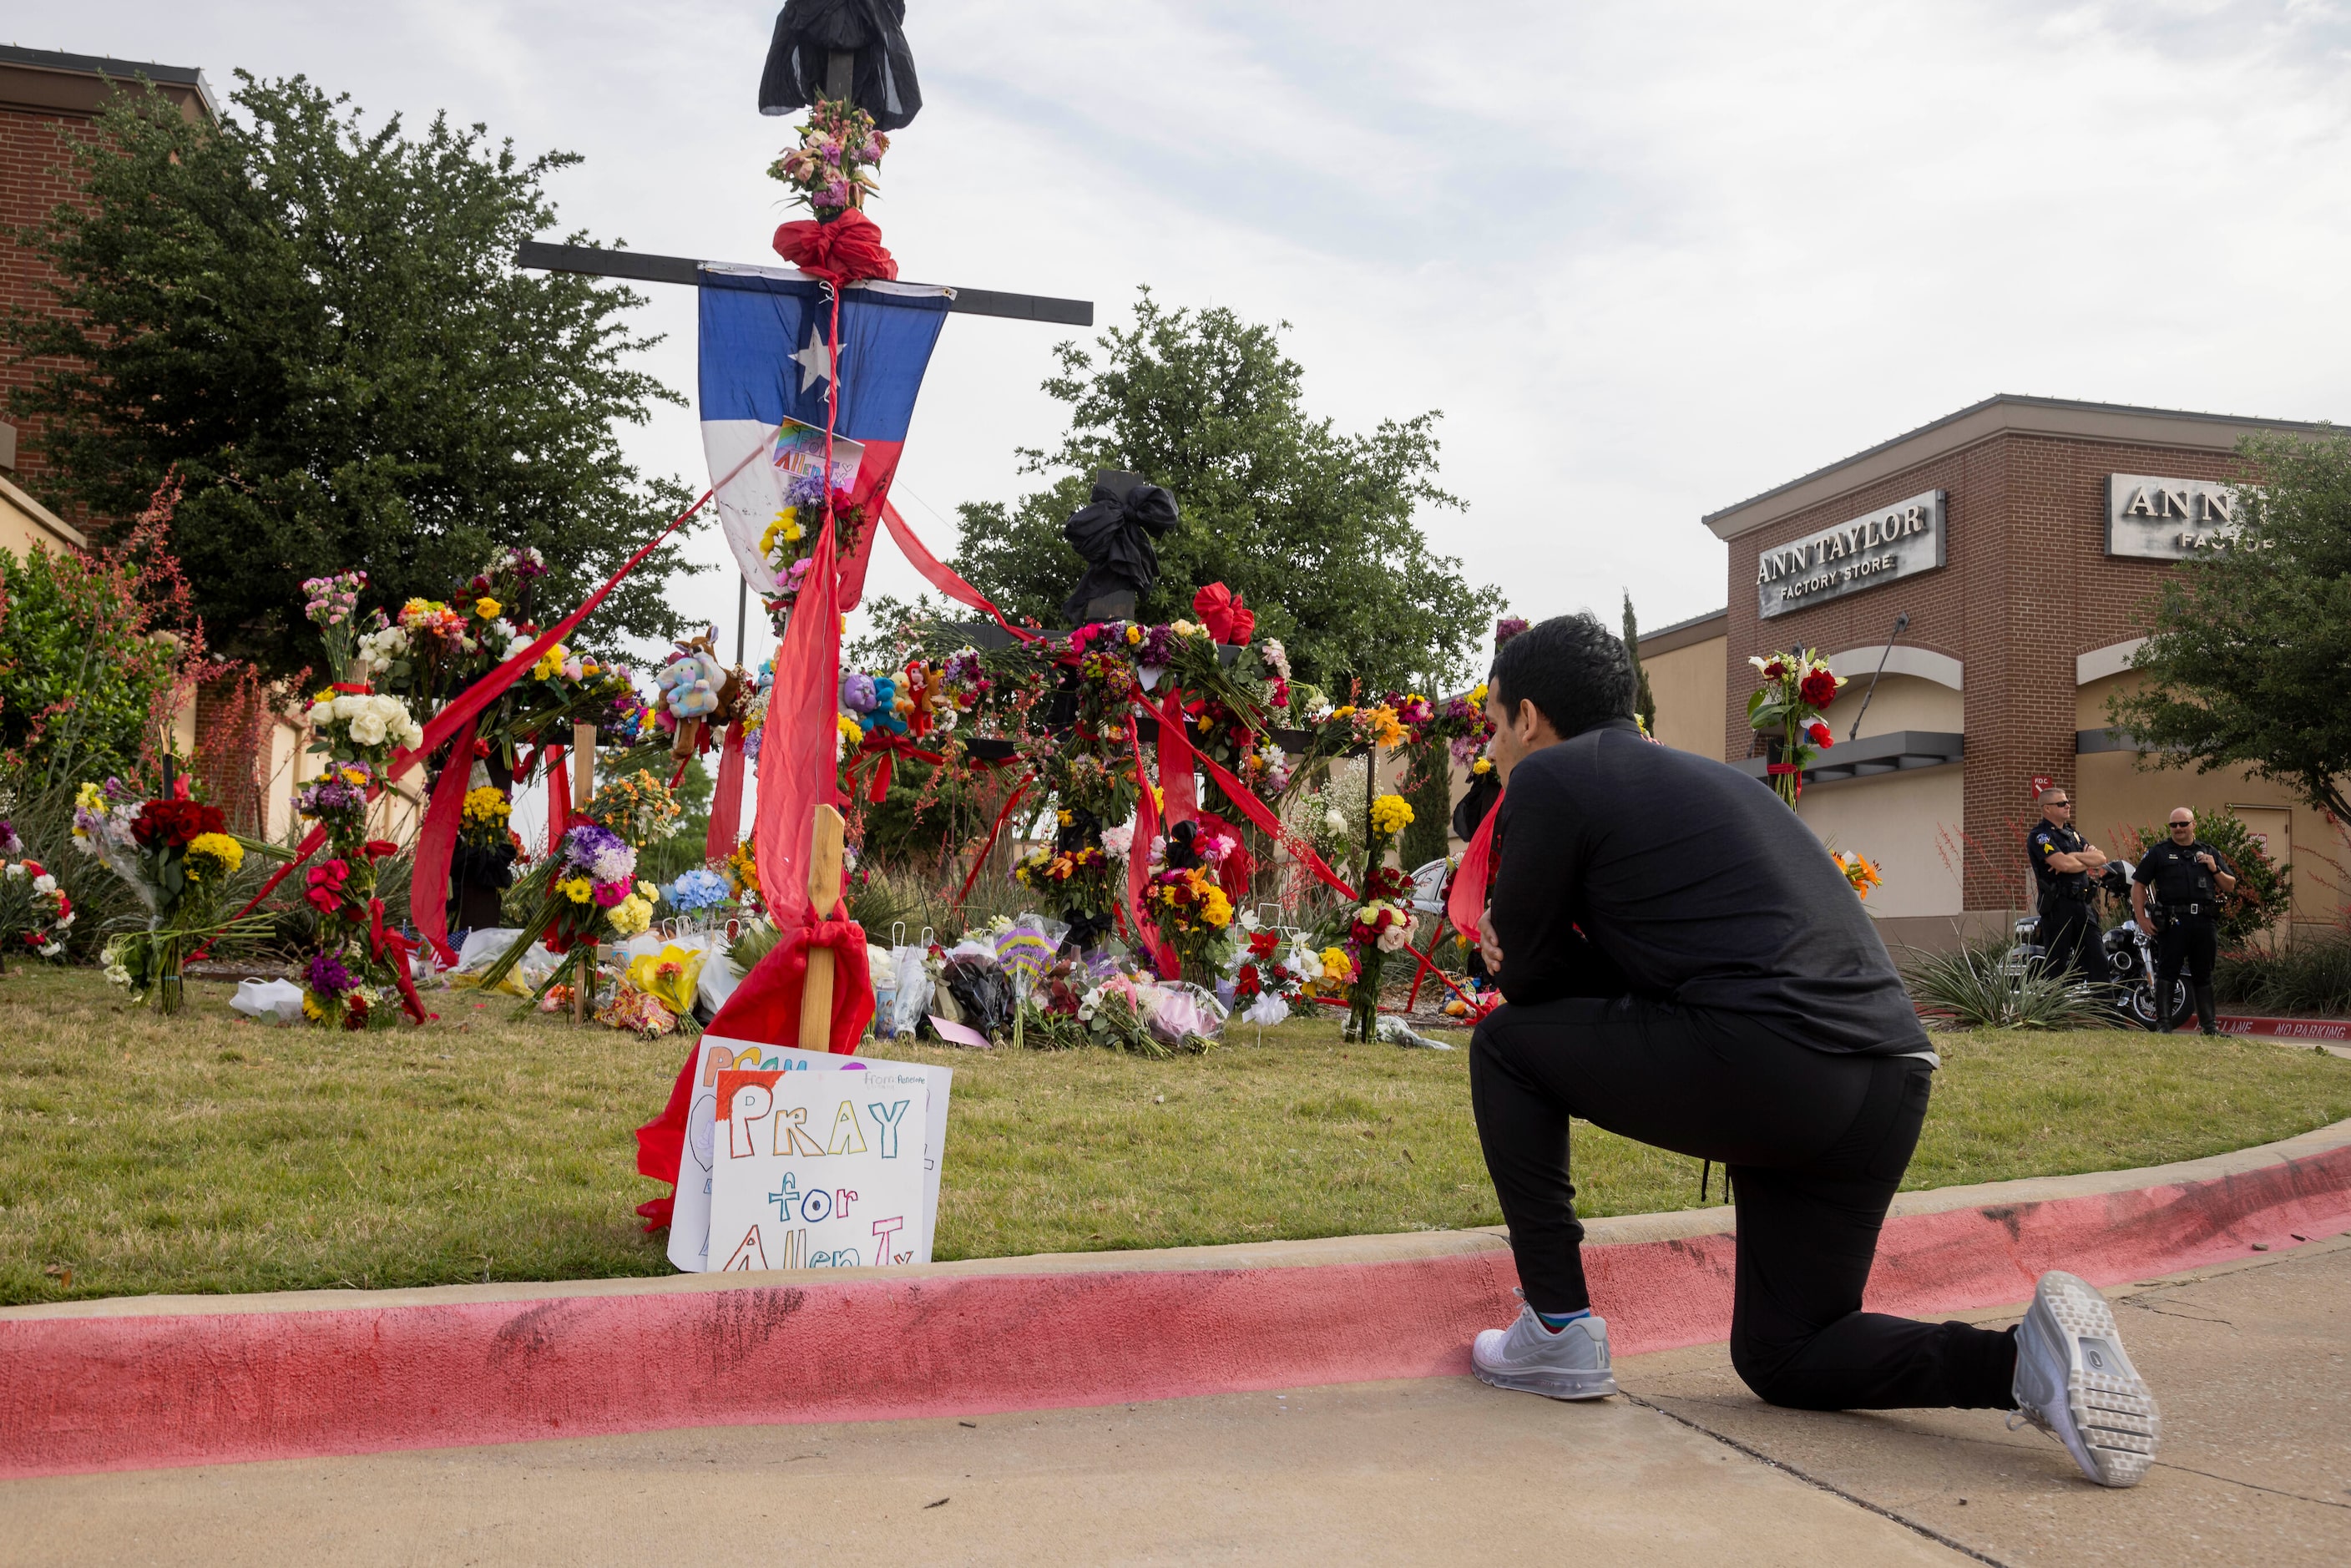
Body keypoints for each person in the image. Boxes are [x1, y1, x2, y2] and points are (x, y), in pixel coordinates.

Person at [1463, 614, 2160, 1489]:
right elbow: (1667, 972)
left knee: (1502, 1047)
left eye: (1490, 725)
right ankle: (2027, 1366)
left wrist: (1506, 946)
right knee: (1786, 1353)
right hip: (1888, 1076)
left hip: (1766, 1062)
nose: (1488, 750)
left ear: (1527, 717)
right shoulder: (1716, 787)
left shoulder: (1553, 775)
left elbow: (1529, 985)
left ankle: (1556, 1328)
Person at [2131, 809, 2237, 1036]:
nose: (2178, 829)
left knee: (2203, 973)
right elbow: (2138, 885)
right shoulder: (2158, 853)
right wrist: (2142, 919)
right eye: (2174, 825)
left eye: (2183, 824)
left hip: (2203, 922)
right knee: (2167, 971)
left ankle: (2209, 1027)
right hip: (2173, 921)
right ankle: (2164, 1025)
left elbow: (2230, 885)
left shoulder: (2208, 852)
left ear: (2193, 825)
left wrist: (2214, 868)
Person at [2025, 788, 2108, 985]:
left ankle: (2105, 1013)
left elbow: (2101, 858)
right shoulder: (2041, 836)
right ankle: (2055, 1013)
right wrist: (2082, 859)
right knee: (2057, 965)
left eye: (2067, 802)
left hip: (2083, 906)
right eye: (2061, 803)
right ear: (2047, 808)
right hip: (2058, 906)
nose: (2068, 806)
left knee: (2098, 960)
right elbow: (2062, 865)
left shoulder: (2074, 835)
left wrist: (2074, 857)